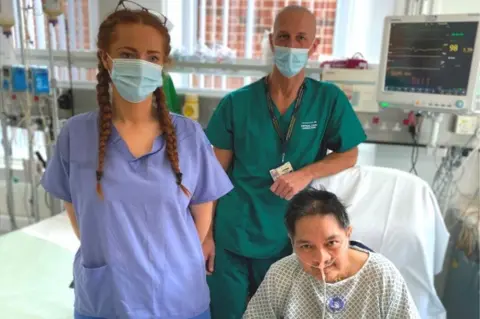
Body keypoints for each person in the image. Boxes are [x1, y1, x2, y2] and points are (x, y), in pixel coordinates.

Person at [40, 2, 233, 319]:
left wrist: (167, 264)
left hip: (178, 298)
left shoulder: (189, 136)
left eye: (152, 58)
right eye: (128, 55)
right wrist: (117, 258)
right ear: (106, 58)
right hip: (107, 298)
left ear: (162, 66)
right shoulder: (76, 135)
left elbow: (202, 217)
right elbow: (78, 216)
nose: (140, 65)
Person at [204, 5, 367, 318]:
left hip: (290, 237)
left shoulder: (328, 99)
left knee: (280, 312)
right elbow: (212, 176)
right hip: (233, 232)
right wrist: (206, 236)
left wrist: (305, 174)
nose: (291, 46)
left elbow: (350, 154)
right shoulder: (236, 103)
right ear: (271, 41)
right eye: (284, 37)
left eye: (301, 38)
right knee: (227, 313)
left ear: (314, 46)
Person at [243, 188, 421, 319]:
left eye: (331, 243)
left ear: (348, 234)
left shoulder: (381, 276)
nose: (321, 260)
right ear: (292, 243)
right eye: (306, 246)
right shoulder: (282, 275)